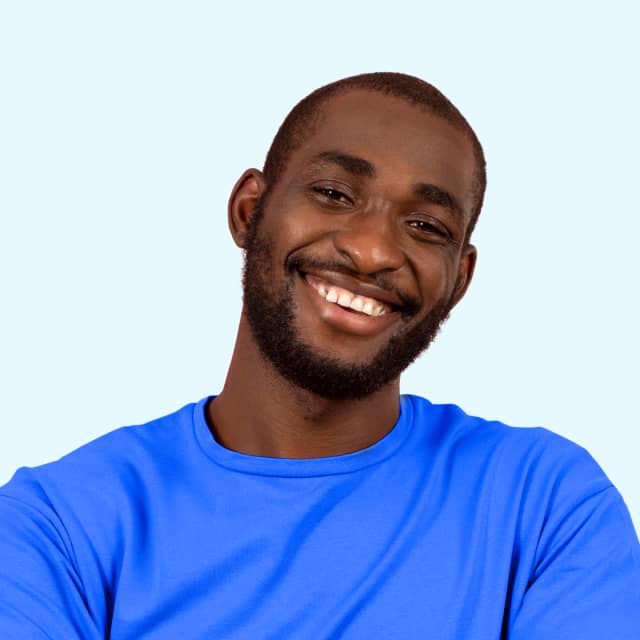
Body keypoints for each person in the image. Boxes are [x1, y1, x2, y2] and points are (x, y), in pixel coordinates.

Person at [1, 72, 638, 639]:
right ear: (249, 211)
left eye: (426, 227)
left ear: (460, 278)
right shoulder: (57, 526)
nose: (372, 251)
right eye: (334, 193)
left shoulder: (546, 503)